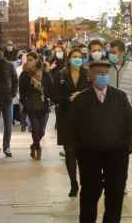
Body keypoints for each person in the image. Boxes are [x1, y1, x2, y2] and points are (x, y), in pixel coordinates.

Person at [68, 60, 132, 223]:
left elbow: (130, 121)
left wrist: (127, 145)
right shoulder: (81, 100)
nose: (103, 77)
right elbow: (73, 126)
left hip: (117, 153)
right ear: (91, 76)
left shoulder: (120, 97)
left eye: (106, 74)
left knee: (115, 192)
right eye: (99, 73)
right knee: (90, 193)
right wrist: (78, 149)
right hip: (89, 154)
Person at [51, 47, 90, 197]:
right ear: (69, 58)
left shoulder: (87, 74)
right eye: (74, 56)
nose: (77, 59)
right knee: (69, 152)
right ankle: (74, 183)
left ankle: (85, 182)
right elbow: (54, 96)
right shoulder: (61, 75)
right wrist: (68, 98)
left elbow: (94, 92)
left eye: (80, 56)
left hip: (85, 119)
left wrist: (82, 96)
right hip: (66, 117)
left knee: (84, 152)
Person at [19, 52, 53, 160]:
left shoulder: (45, 73)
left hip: (43, 105)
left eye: (31, 60)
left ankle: (33, 145)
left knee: (41, 131)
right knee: (35, 128)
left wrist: (43, 89)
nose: (28, 62)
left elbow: (51, 88)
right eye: (27, 60)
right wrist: (24, 102)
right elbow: (22, 91)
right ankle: (38, 148)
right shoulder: (24, 75)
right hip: (31, 106)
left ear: (37, 60)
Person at [108, 40, 132, 110]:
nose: (111, 55)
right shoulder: (106, 68)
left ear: (122, 53)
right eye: (110, 53)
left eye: (114, 53)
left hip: (127, 112)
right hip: (109, 112)